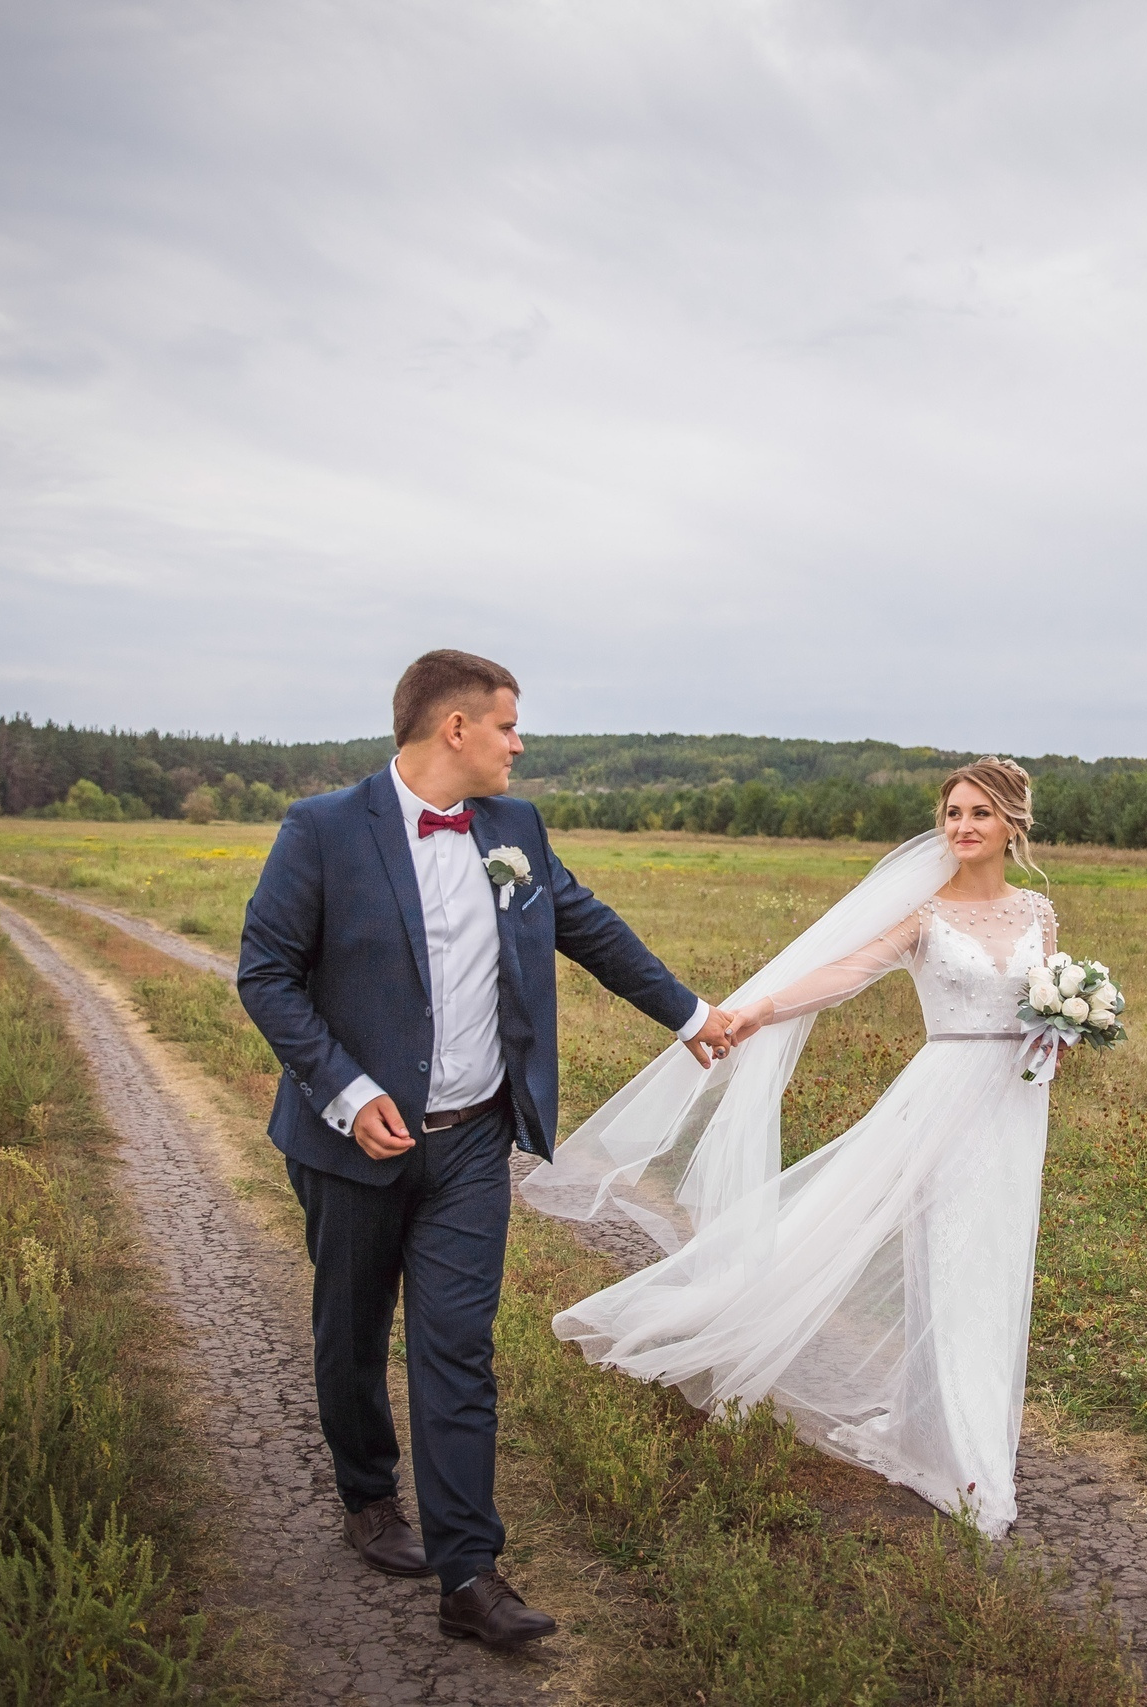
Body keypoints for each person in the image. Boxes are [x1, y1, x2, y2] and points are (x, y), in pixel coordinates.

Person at [236, 649, 737, 1650]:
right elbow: (266, 974)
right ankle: (368, 1493)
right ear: (453, 729)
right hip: (353, 1147)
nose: (519, 743)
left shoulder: (514, 828)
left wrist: (688, 1014)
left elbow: (583, 924)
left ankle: (469, 1573)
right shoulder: (324, 829)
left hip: (472, 1143)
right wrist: (344, 1089)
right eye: (507, 725)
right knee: (350, 1330)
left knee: (457, 1348)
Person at [523, 758, 1063, 1537]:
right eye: (952, 813)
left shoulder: (1039, 913)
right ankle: (964, 1454)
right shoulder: (926, 913)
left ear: (1013, 822)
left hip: (1015, 1106)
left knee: (999, 1255)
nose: (962, 827)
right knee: (946, 1258)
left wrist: (1068, 1028)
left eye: (979, 813)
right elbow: (846, 972)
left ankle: (932, 1428)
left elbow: (1044, 1002)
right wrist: (760, 1009)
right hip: (941, 1095)